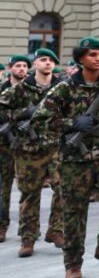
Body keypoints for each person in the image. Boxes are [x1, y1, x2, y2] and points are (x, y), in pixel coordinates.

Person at [32, 37, 99, 277]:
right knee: (73, 214)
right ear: (80, 59)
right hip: (74, 160)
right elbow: (40, 121)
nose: (98, 59)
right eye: (92, 55)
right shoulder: (65, 88)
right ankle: (73, 265)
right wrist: (72, 123)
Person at [0, 48, 64, 257]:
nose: (47, 63)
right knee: (29, 196)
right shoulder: (21, 89)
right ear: (34, 64)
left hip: (56, 148)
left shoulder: (61, 87)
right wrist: (23, 113)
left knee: (63, 189)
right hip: (28, 151)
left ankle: (56, 230)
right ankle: (28, 238)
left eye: (51, 61)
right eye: (43, 60)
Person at [0, 54, 30, 242]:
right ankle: (2, 226)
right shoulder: (2, 90)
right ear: (11, 68)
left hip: (28, 145)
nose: (21, 69)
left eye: (24, 66)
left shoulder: (31, 90)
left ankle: (28, 231)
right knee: (4, 187)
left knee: (29, 188)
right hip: (4, 145)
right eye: (17, 65)